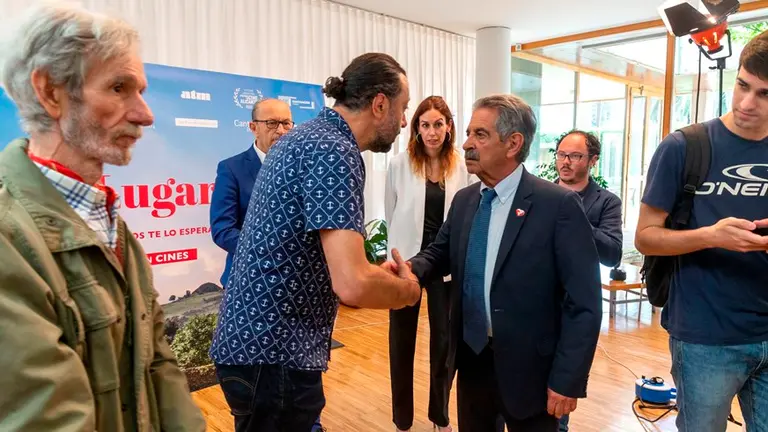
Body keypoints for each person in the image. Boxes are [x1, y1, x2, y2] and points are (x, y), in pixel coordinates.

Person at [0, 3, 205, 431]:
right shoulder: (9, 237)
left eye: (141, 90)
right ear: (51, 92)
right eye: (118, 88)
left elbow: (158, 365)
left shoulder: (108, 222)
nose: (145, 114)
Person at [209, 52, 422, 432]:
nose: (405, 122)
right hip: (274, 355)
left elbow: (313, 253)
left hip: (258, 349)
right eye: (403, 108)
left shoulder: (308, 136)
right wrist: (406, 291)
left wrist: (374, 275)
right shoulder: (334, 150)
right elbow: (353, 284)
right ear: (379, 103)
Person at [397, 94, 602, 432]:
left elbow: (585, 303)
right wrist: (411, 269)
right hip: (473, 360)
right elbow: (440, 253)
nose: (465, 144)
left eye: (480, 135)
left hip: (531, 373)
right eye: (468, 133)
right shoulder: (465, 200)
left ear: (513, 143)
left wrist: (568, 380)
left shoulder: (558, 206)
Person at [635, 31, 768, 432]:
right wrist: (710, 235)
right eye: (743, 85)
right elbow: (645, 236)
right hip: (704, 337)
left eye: (765, 94)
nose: (747, 103)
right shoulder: (683, 147)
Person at [385, 95, 473, 432]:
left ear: (449, 127)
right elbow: (391, 213)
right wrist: (394, 257)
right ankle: (402, 420)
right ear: (416, 129)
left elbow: (466, 216)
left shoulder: (462, 166)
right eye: (425, 125)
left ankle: (439, 416)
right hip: (407, 263)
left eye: (438, 124)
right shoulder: (399, 164)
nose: (432, 132)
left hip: (445, 264)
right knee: (400, 341)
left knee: (445, 342)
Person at [553, 130, 622, 431]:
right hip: (530, 306)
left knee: (557, 408)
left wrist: (574, 216)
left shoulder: (606, 202)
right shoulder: (537, 194)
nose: (565, 162)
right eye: (561, 154)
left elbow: (612, 253)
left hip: (573, 311)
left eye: (575, 156)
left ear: (592, 160)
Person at [210, 98, 293, 286]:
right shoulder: (231, 168)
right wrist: (271, 252)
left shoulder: (303, 168)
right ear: (253, 127)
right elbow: (223, 230)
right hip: (248, 280)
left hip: (296, 281)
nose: (280, 131)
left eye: (286, 123)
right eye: (272, 123)